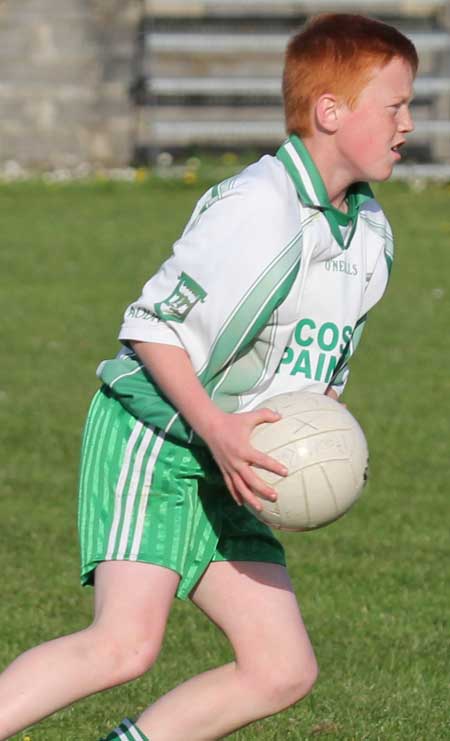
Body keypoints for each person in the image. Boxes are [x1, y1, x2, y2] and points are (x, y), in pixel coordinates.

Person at [0, 13, 417, 741]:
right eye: (395, 106)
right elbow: (152, 329)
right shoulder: (260, 207)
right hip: (157, 434)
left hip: (230, 461)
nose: (408, 124)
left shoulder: (370, 235)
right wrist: (218, 428)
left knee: (280, 667)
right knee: (124, 645)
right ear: (330, 110)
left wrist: (318, 443)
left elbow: (316, 378)